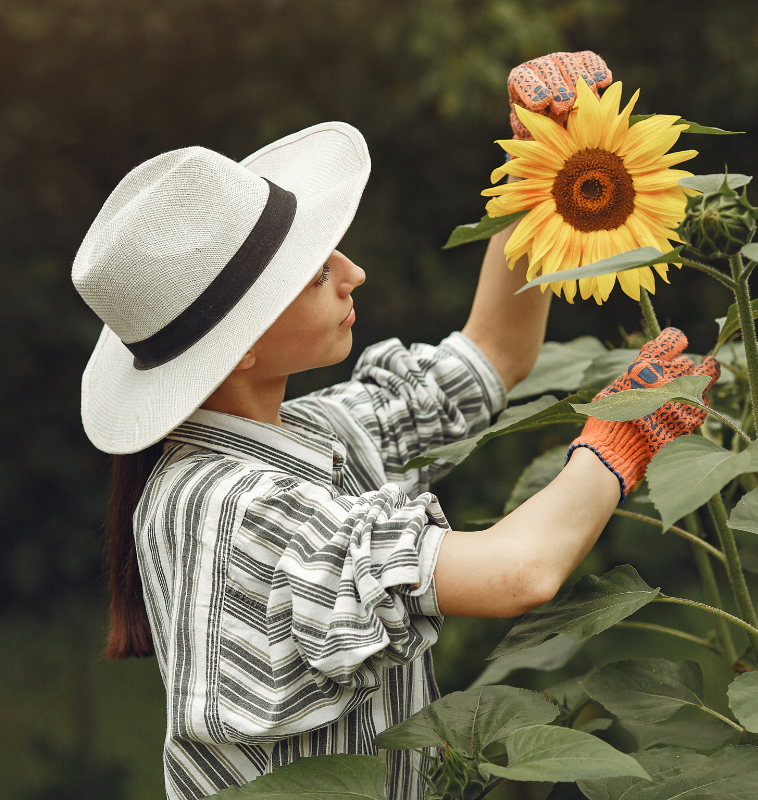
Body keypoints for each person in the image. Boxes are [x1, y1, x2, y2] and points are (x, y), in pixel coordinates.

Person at [71, 52, 718, 800]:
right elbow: (519, 572)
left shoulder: (309, 437)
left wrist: (543, 172)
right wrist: (620, 438)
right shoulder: (233, 510)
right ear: (239, 343)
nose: (351, 273)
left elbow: (494, 355)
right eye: (314, 273)